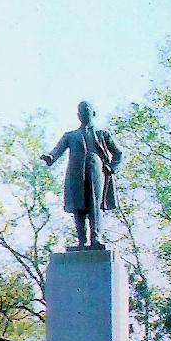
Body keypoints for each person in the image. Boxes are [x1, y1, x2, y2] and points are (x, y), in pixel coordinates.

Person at [40, 99, 123, 249]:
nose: (83, 113)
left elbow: (118, 154)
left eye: (86, 110)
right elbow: (57, 150)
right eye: (80, 111)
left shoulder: (102, 134)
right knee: (78, 207)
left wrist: (112, 167)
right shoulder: (70, 135)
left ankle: (96, 239)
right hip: (75, 174)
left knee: (94, 204)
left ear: (93, 113)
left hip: (96, 173)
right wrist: (50, 158)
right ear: (77, 115)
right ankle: (81, 241)